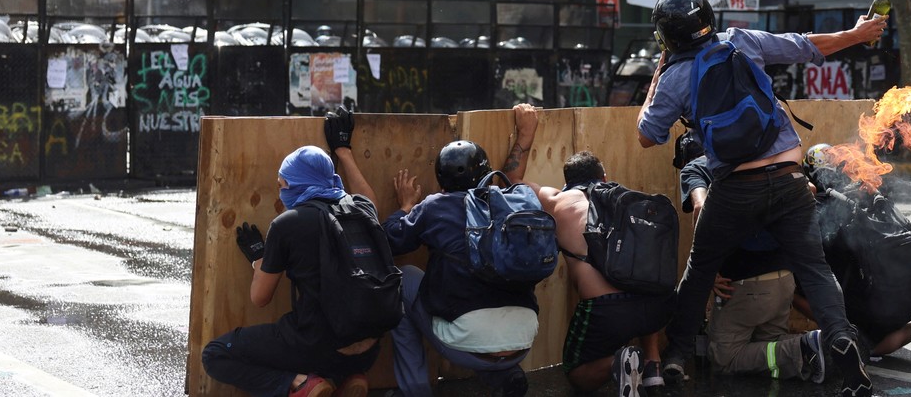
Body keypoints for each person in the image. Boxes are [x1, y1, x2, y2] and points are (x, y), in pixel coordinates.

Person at [635, 0, 887, 397]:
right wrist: (856, 34)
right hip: (790, 178)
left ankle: (678, 354)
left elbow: (648, 136)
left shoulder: (674, 76)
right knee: (814, 269)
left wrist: (656, 80)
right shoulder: (738, 40)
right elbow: (804, 46)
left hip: (736, 187)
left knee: (700, 269)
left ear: (667, 37)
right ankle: (840, 338)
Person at [352, 104, 541, 397]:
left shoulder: (436, 206)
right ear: (488, 173)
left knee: (401, 279)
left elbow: (390, 241)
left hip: (468, 345)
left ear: (441, 181)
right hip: (524, 339)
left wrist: (405, 207)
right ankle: (505, 376)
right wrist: (523, 139)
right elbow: (513, 176)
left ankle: (414, 391)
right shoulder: (512, 201)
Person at [201, 126, 384, 397]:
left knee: (215, 354)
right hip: (371, 349)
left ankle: (299, 383)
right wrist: (344, 152)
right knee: (330, 335)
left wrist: (259, 258)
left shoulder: (288, 223)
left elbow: (260, 298)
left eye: (282, 184)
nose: (281, 192)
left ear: (297, 184)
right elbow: (369, 199)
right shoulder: (362, 209)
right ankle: (347, 377)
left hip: (316, 346)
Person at [797, 144, 911, 367]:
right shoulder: (870, 194)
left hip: (873, 309)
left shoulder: (823, 212)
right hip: (908, 298)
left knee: (794, 288)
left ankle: (849, 335)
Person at [531, 148, 674, 395]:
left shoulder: (558, 202)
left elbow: (514, 181)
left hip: (607, 309)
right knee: (644, 280)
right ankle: (653, 369)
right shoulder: (629, 200)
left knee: (576, 372)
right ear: (605, 177)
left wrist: (524, 137)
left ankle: (618, 363)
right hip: (658, 305)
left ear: (567, 183)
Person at [678, 145, 825, 384]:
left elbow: (700, 207)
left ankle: (803, 346)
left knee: (724, 358)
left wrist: (708, 269)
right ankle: (813, 348)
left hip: (746, 285)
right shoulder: (764, 158)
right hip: (785, 279)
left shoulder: (697, 168)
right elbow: (808, 189)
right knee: (770, 352)